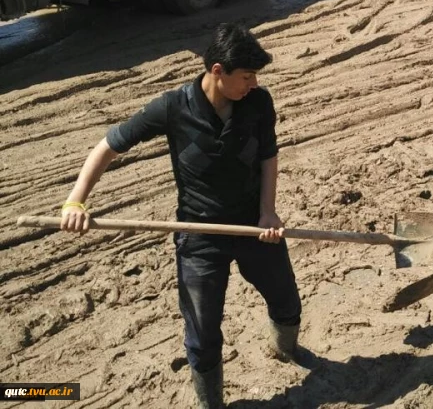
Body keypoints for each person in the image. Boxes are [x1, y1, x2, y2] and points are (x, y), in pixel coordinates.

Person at [59, 24, 303, 408]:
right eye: (246, 76)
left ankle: (287, 350)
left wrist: (268, 212)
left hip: (254, 225)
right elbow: (107, 147)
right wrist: (76, 201)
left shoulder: (258, 102)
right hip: (198, 235)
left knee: (286, 301)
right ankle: (212, 403)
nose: (253, 84)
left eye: (256, 76)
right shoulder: (173, 107)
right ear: (218, 72)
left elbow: (269, 155)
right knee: (203, 333)